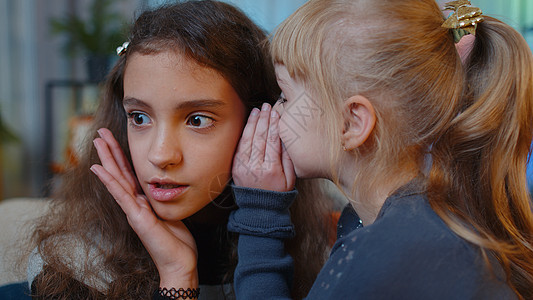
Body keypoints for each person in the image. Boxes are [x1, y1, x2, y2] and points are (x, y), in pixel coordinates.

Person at [27, 1, 333, 299]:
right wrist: (178, 277)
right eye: (140, 117)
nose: (160, 155)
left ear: (260, 123)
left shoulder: (325, 249)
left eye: (197, 120)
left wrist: (262, 222)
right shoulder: (68, 265)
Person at [228, 0, 533, 298]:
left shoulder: (390, 250)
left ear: (352, 123)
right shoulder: (385, 220)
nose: (275, 112)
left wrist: (260, 215)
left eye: (286, 96)